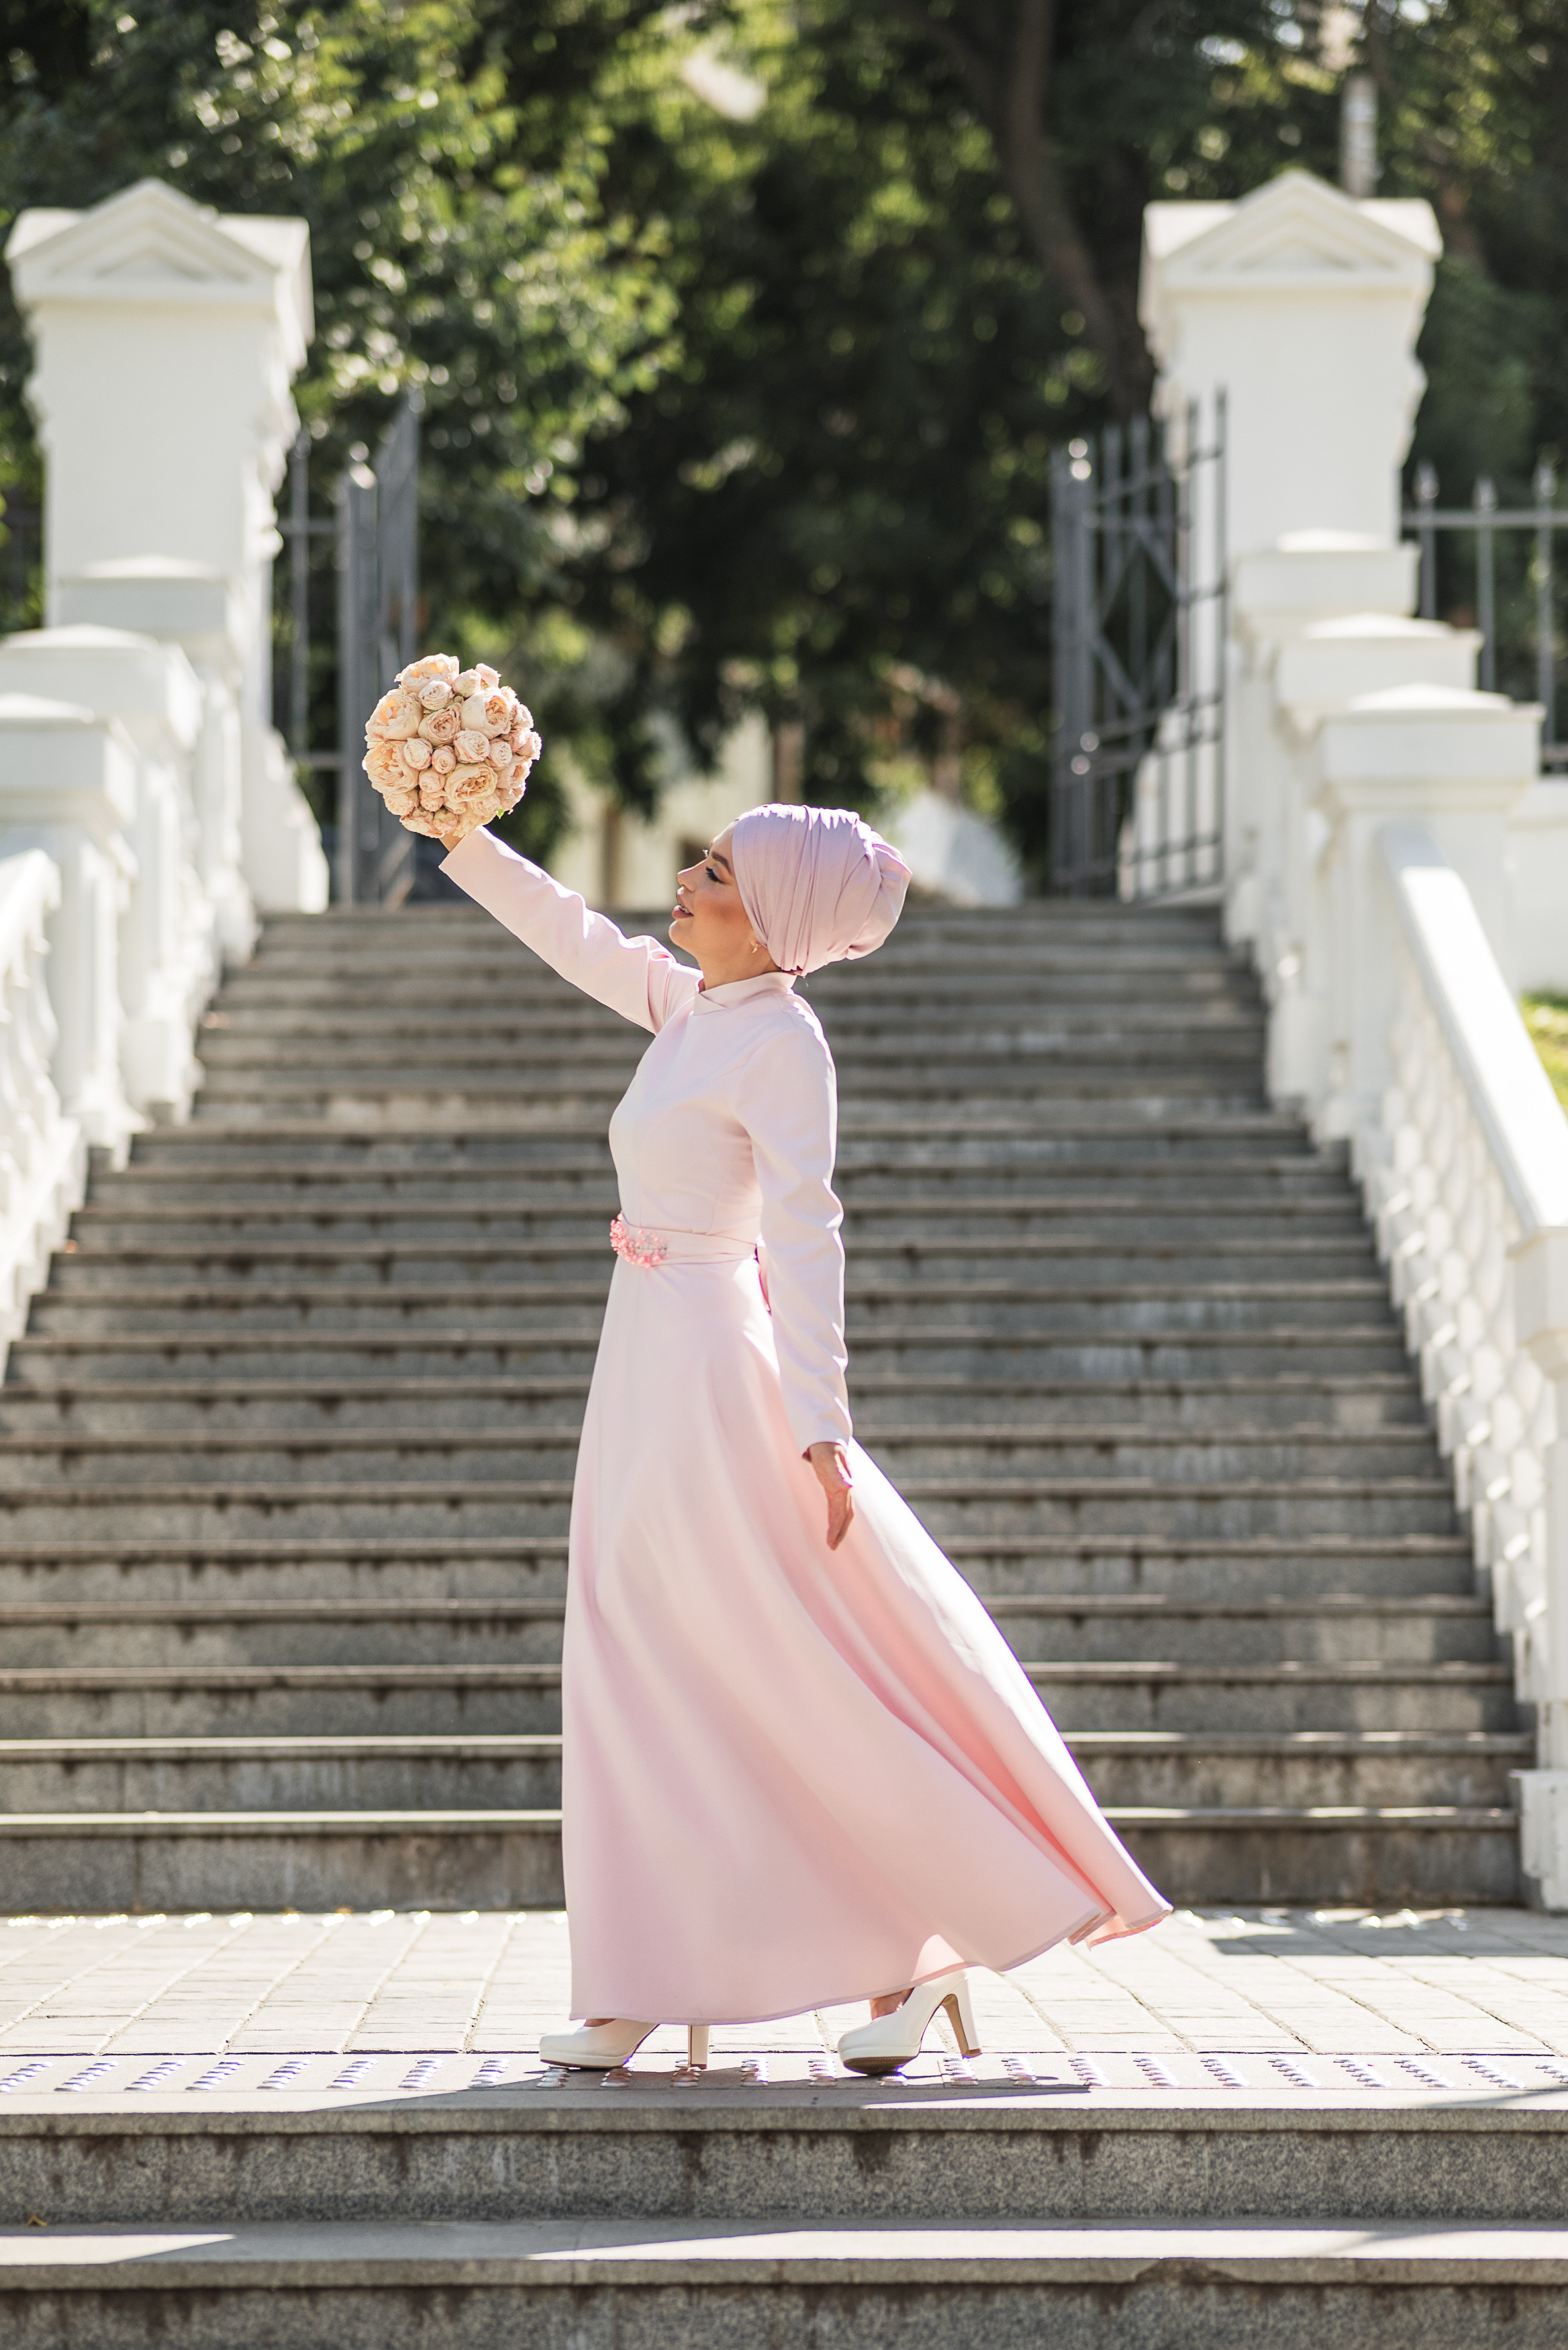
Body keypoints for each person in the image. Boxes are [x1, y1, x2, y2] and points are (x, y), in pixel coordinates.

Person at [429, 801, 1169, 2076]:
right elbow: (573, 936)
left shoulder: (782, 1043)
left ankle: (914, 1955)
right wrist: (461, 835)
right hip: (645, 1356)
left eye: (712, 871)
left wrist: (823, 1428)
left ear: (765, 917)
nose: (685, 879)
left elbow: (806, 1231)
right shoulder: (693, 1010)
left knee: (765, 1662)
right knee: (641, 1658)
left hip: (715, 1366)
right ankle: (656, 1977)